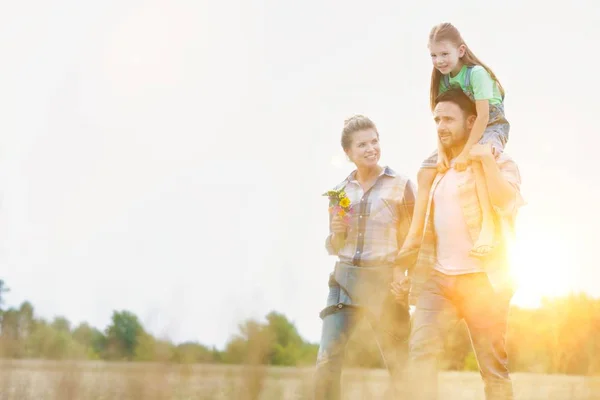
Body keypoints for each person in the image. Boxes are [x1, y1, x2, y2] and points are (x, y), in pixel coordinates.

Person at [392, 87, 525, 400]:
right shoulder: (433, 169)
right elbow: (419, 228)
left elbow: (507, 203)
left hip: (484, 281)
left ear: (471, 123)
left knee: (493, 369)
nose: (440, 126)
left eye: (448, 119)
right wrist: (402, 267)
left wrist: (486, 162)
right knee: (421, 354)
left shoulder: (499, 161)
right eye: (437, 119)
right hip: (437, 279)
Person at [314, 114, 415, 399]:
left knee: (399, 364)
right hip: (344, 280)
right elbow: (335, 246)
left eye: (374, 141)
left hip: (384, 283)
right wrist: (336, 233)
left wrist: (402, 275)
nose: (371, 148)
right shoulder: (339, 193)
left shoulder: (401, 185)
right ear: (348, 153)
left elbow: (413, 239)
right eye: (362, 145)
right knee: (327, 358)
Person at [398, 22, 511, 262]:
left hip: (490, 125)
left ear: (460, 50)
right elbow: (441, 119)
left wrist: (465, 152)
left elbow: (483, 117)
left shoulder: (476, 73)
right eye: (434, 55)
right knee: (426, 169)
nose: (439, 60)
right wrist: (441, 154)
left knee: (480, 157)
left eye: (444, 54)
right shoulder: (444, 78)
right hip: (465, 127)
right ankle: (415, 235)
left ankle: (488, 228)